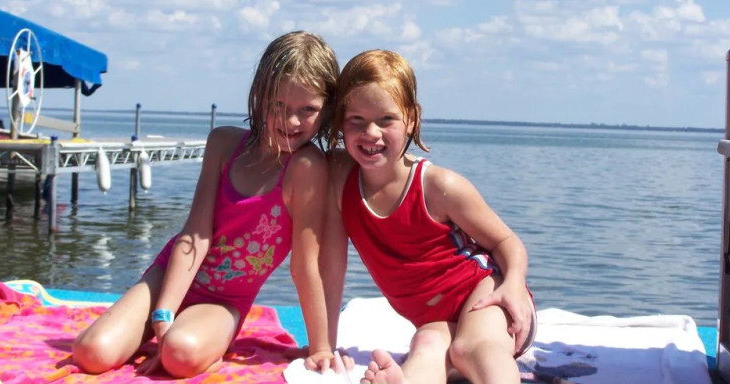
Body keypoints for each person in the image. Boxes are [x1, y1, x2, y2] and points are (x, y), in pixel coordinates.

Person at [73, 31, 341, 378]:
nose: (291, 122)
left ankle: (202, 344)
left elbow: (305, 266)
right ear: (259, 97)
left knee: (179, 355)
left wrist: (320, 347)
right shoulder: (223, 145)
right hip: (170, 275)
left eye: (307, 110)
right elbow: (195, 235)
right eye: (278, 106)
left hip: (225, 300)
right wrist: (163, 314)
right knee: (90, 353)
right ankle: (159, 328)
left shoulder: (306, 168)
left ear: (326, 109)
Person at [321, 49, 536, 384]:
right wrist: (325, 343)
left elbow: (506, 240)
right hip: (433, 319)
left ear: (411, 119)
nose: (371, 133)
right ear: (340, 122)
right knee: (427, 344)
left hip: (486, 293)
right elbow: (330, 264)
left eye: (386, 119)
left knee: (471, 347)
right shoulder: (339, 179)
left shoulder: (437, 186)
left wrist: (513, 285)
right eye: (356, 121)